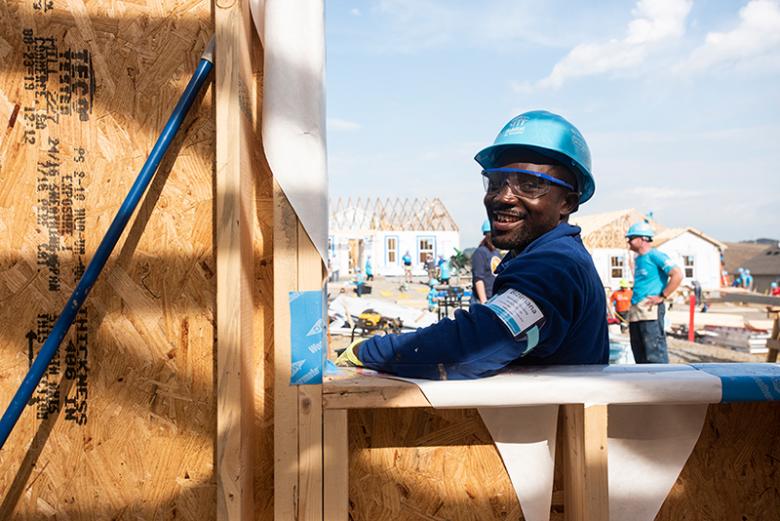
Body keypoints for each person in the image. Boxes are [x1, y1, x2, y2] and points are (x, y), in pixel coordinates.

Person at [336, 110, 609, 379]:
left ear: (567, 203)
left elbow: (468, 348)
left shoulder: (553, 267)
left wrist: (364, 351)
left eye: (529, 185)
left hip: (547, 423)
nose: (502, 197)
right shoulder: (553, 257)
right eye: (495, 183)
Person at [625, 222, 683, 364]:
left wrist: (662, 296)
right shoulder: (638, 259)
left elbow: (677, 274)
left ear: (642, 239)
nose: (629, 242)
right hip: (637, 308)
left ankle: (661, 383)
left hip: (649, 309)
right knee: (639, 351)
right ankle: (645, 383)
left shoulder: (655, 255)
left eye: (631, 238)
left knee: (654, 351)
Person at [471, 219, 503, 304]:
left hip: (495, 298)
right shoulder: (480, 252)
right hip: (485, 300)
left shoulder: (496, 253)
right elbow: (478, 279)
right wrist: (484, 302)